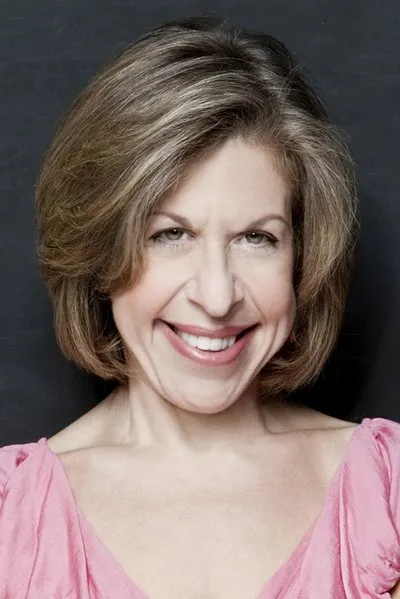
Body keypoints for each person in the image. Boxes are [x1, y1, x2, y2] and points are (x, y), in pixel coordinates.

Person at [0, 15, 399, 599]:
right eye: (170, 234)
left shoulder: (386, 493)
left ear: (301, 258)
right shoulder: (13, 523)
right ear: (100, 250)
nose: (217, 297)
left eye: (256, 238)